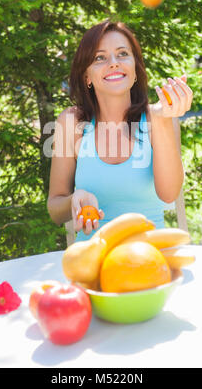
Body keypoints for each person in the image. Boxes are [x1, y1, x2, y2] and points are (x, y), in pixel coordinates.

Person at [47, 20, 193, 242]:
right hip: (91, 261)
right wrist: (74, 199)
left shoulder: (160, 119)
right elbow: (55, 209)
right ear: (87, 76)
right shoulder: (71, 123)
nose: (113, 63)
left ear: (135, 70)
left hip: (150, 258)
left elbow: (169, 194)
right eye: (100, 58)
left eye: (122, 54)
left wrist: (163, 120)